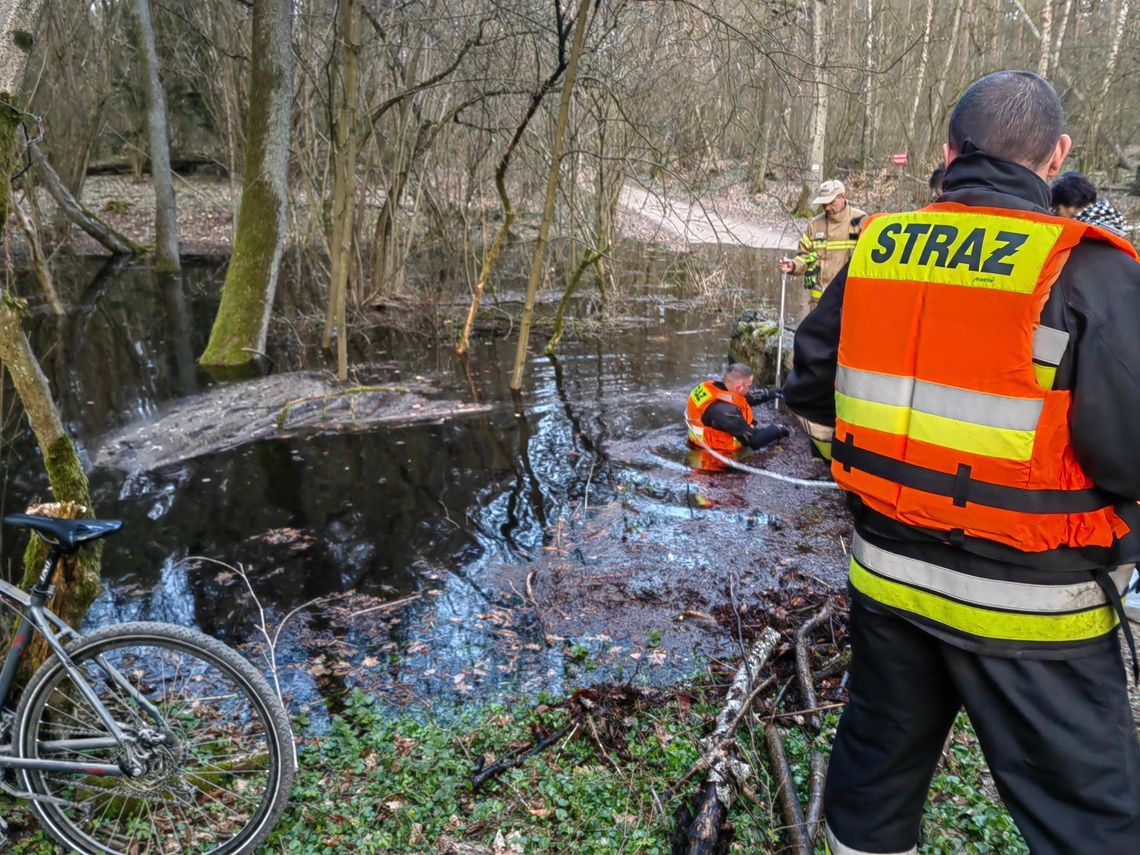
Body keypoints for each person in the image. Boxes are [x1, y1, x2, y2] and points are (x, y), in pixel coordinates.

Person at [783, 70, 1140, 854]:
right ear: (1057, 156)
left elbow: (808, 386)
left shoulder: (882, 248)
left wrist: (878, 473)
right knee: (1091, 822)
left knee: (871, 786)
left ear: (948, 152)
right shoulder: (1090, 268)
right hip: (1039, 604)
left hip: (889, 579)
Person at [778, 179, 867, 307]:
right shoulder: (815, 225)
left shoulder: (861, 221)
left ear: (842, 197)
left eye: (831, 203)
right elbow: (804, 256)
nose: (827, 208)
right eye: (824, 204)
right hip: (819, 303)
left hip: (849, 301)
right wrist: (793, 265)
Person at [685, 363, 788, 455]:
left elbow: (745, 397)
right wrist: (779, 429)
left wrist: (776, 393)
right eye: (749, 386)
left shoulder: (711, 389)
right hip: (713, 456)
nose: (750, 389)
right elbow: (754, 441)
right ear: (739, 387)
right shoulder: (727, 413)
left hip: (701, 439)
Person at [1051, 170, 1128, 234]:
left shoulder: (1086, 232)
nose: (1055, 214)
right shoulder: (1111, 224)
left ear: (1072, 206)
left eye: (1057, 209)